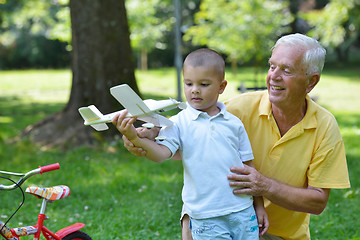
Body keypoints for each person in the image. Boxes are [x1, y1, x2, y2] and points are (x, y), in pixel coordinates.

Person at [121, 34, 351, 240]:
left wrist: (264, 186)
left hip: (280, 235)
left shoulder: (324, 125)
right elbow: (188, 140)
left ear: (311, 81)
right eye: (272, 66)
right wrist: (149, 136)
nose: (274, 77)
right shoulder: (238, 109)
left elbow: (318, 201)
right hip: (221, 222)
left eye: (287, 70)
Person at [113, 48, 269, 239]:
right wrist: (135, 138)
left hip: (242, 211)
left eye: (204, 84)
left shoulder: (234, 123)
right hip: (206, 216)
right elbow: (161, 154)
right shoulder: (179, 122)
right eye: (188, 83)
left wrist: (258, 206)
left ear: (221, 87)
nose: (194, 89)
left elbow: (249, 167)